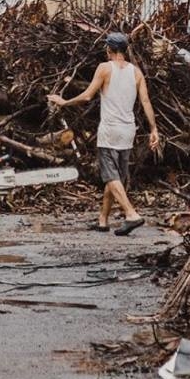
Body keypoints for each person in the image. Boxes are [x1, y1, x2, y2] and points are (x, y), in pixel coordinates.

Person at [49, 31, 161, 235]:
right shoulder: (136, 72)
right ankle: (103, 220)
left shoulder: (104, 68)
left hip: (109, 131)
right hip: (128, 131)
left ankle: (131, 214)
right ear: (125, 50)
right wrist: (154, 129)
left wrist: (64, 102)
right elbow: (145, 101)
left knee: (110, 176)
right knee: (115, 177)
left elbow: (87, 96)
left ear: (109, 49)